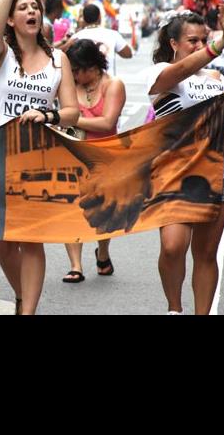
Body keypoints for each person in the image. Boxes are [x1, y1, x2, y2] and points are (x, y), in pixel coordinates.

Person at [0, 0, 79, 315]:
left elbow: (72, 111)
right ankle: (22, 294)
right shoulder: (0, 55)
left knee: (32, 239)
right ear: (12, 18)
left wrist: (47, 114)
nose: (31, 12)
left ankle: (28, 311)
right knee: (4, 241)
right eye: (23, 8)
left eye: (35, 7)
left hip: (39, 156)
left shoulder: (58, 59)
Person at [146, 4, 224, 315]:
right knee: (172, 247)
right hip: (174, 172)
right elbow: (177, 74)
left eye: (203, 40)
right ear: (174, 44)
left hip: (218, 170)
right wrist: (219, 44)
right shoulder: (161, 74)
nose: (199, 46)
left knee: (206, 253)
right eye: (192, 40)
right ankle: (175, 308)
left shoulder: (219, 78)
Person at [61, 39, 126, 283]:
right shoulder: (70, 85)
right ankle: (75, 266)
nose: (74, 75)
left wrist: (69, 118)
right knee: (71, 210)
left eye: (77, 70)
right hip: (74, 155)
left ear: (92, 66)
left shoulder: (113, 85)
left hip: (104, 158)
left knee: (103, 213)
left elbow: (107, 123)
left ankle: (103, 252)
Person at [64, 3, 133, 76]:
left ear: (84, 19)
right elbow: (128, 54)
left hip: (85, 80)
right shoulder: (113, 34)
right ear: (99, 17)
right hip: (108, 80)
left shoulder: (76, 37)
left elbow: (64, 58)